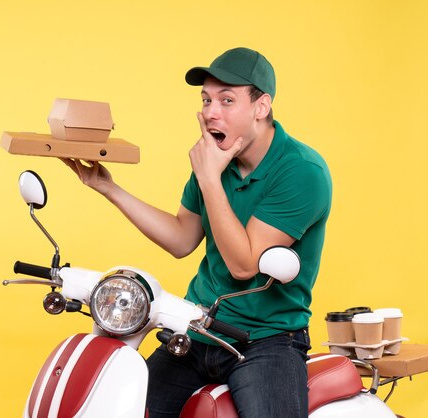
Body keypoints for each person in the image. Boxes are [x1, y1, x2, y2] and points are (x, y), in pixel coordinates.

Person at [61, 47, 332, 418]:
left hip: (266, 339)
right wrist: (108, 187)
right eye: (206, 99)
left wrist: (209, 177)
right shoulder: (216, 161)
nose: (210, 112)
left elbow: (243, 265)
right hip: (198, 326)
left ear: (261, 106)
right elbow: (181, 239)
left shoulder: (301, 171)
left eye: (226, 100)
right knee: (125, 406)